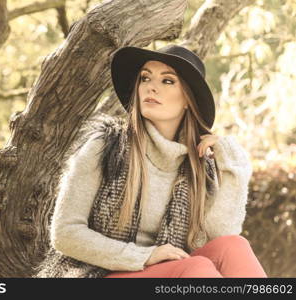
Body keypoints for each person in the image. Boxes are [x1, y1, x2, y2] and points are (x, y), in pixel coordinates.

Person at [33, 44, 267, 278]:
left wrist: (235, 166)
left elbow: (218, 236)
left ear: (188, 99)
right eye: (145, 78)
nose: (151, 87)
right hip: (96, 274)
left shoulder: (198, 165)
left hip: (167, 273)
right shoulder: (106, 147)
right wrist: (143, 256)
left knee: (234, 246)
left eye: (167, 81)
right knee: (195, 269)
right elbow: (64, 233)